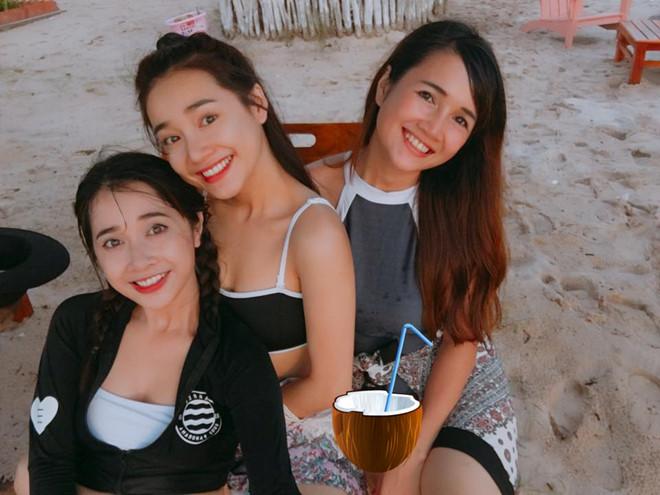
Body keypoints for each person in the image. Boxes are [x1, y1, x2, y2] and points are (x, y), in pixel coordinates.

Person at [135, 34, 362, 495]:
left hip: (294, 428)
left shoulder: (312, 232)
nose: (195, 152)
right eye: (172, 138)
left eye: (208, 118)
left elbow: (329, 384)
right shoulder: (191, 217)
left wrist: (222, 435)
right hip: (194, 421)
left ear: (256, 103)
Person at [310, 20, 518, 495]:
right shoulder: (309, 196)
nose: (434, 128)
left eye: (461, 119)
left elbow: (463, 334)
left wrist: (415, 447)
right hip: (336, 389)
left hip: (444, 378)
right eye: (428, 96)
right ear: (386, 84)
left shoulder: (458, 207)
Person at [15, 152, 300, 495]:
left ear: (195, 227)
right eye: (113, 241)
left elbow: (274, 486)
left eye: (156, 228)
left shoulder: (236, 353)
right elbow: (49, 463)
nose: (139, 260)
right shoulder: (77, 322)